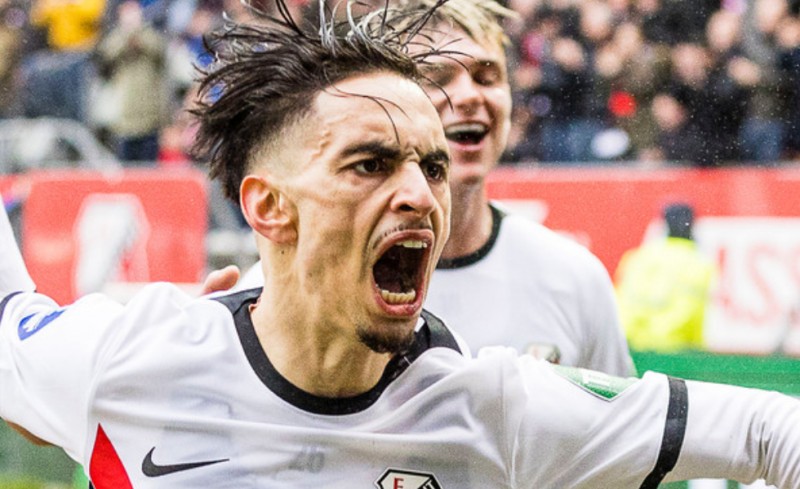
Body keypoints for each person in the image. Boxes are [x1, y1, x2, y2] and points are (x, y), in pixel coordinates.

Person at [3, 2, 800, 487]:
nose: (421, 194)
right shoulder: (134, 356)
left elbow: (769, 429)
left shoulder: (496, 406)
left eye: (431, 165)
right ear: (269, 207)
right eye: (370, 164)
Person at [235, 0, 634, 376]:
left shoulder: (573, 279)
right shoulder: (282, 289)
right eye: (437, 78)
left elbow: (615, 424)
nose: (469, 95)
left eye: (487, 77)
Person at [615, 202, 716, 352]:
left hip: (633, 349)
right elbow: (693, 318)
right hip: (675, 354)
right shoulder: (699, 265)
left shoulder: (637, 258)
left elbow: (624, 309)